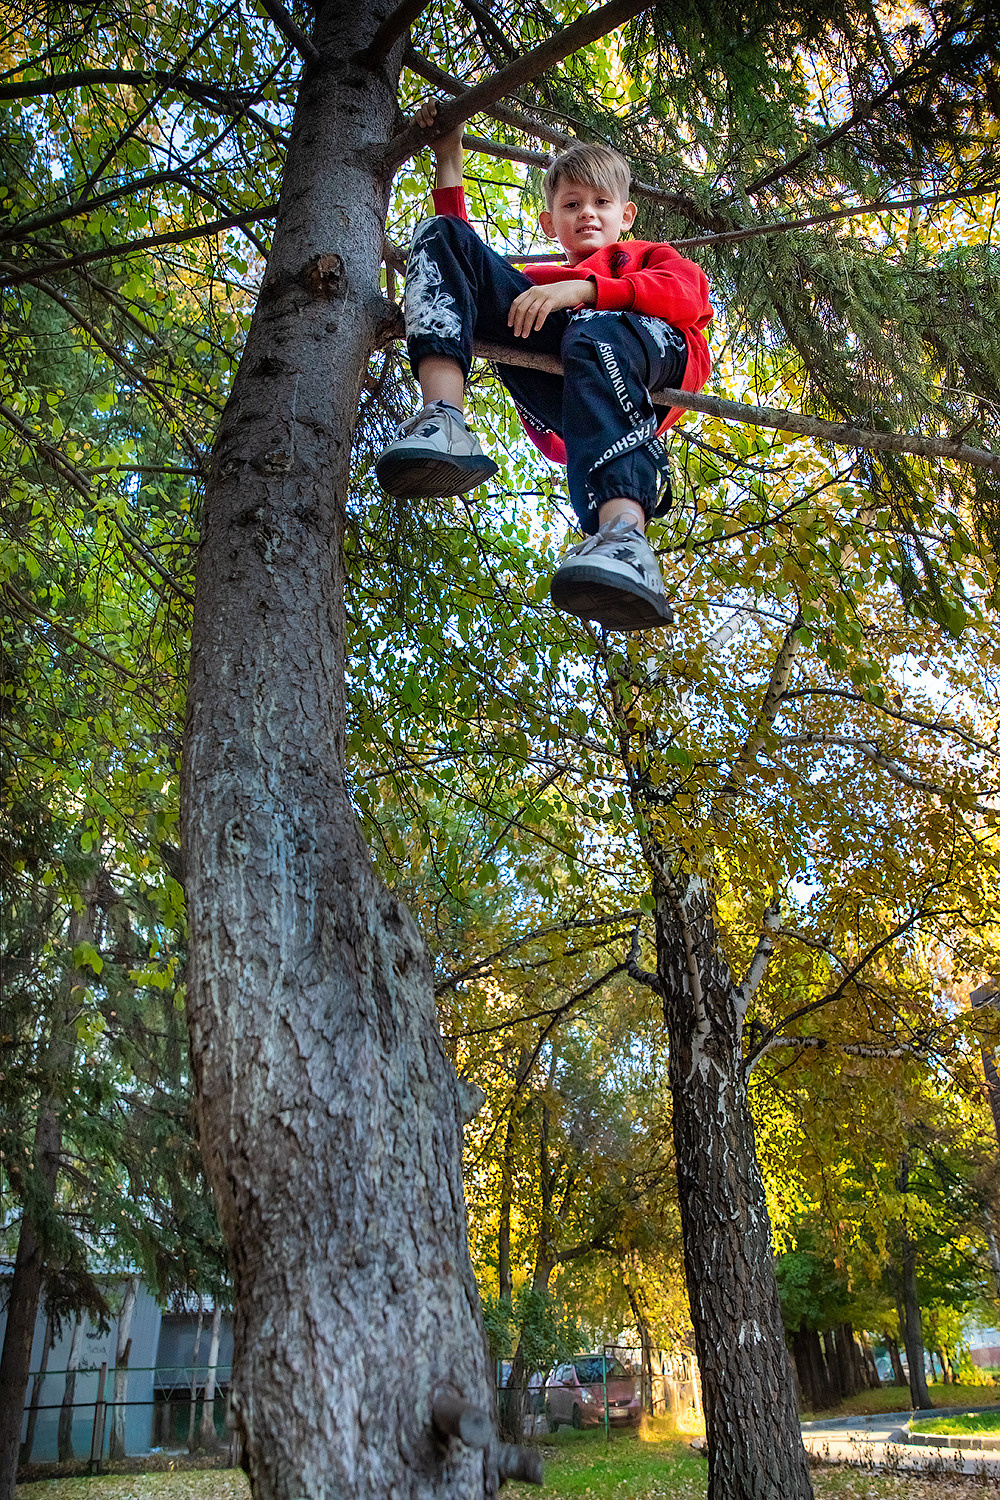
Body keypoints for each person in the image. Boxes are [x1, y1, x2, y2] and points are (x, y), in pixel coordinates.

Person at [375, 101, 713, 631]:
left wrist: (587, 288)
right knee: (440, 238)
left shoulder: (649, 257)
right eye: (572, 203)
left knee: (592, 328)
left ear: (625, 216)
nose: (587, 213)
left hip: (648, 359)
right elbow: (465, 268)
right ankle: (443, 418)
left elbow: (688, 297)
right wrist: (448, 157)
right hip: (569, 382)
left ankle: (624, 537)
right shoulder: (542, 282)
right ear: (548, 221)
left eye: (602, 202)